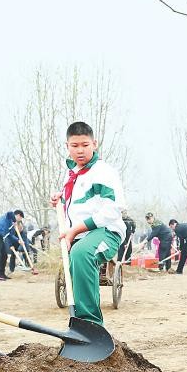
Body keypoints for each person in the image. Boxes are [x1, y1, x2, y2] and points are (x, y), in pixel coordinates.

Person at [48, 121, 126, 326]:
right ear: (67, 146)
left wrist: (74, 230)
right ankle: (79, 325)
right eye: (75, 146)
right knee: (75, 263)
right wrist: (61, 199)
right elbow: (80, 204)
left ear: (94, 144)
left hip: (106, 231)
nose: (80, 150)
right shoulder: (72, 174)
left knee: (81, 254)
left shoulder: (104, 172)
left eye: (85, 145)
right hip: (80, 235)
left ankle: (91, 326)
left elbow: (112, 209)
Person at [0, 210, 24, 281]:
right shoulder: (8, 217)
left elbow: (10, 235)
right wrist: (14, 221)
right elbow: (10, 212)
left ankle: (2, 274)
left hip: (0, 237)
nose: (20, 220)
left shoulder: (11, 225)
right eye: (21, 218)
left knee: (4, 255)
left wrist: (18, 240)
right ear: (18, 215)